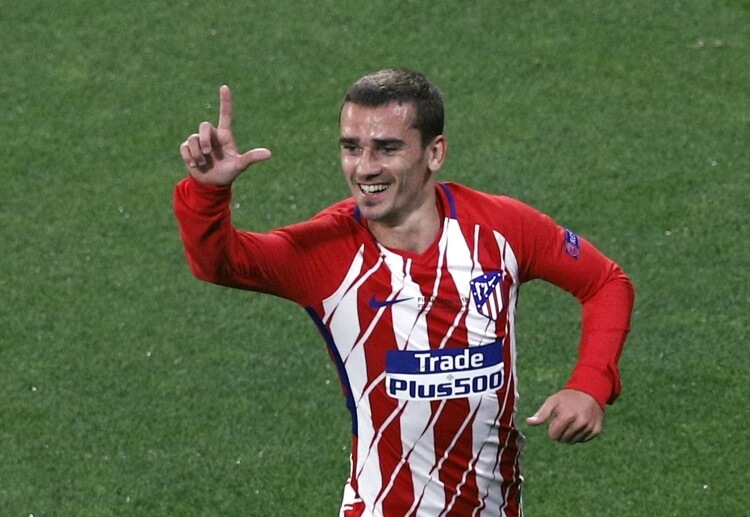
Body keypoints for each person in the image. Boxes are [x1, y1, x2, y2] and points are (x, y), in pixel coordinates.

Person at [174, 68, 634, 516]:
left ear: (435, 153)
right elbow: (222, 263)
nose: (365, 168)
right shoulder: (327, 254)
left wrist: (590, 385)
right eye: (351, 148)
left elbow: (604, 282)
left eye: (386, 148)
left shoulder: (502, 229)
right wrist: (208, 193)